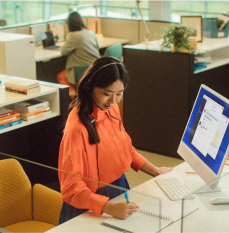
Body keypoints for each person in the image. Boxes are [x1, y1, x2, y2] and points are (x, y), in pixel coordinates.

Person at [58, 56, 173, 224]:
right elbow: (71, 189)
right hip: (89, 203)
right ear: (90, 87)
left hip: (118, 189)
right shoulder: (77, 129)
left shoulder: (111, 109)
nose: (113, 101)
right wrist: (108, 207)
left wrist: (154, 170)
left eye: (119, 94)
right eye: (107, 94)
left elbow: (125, 148)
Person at [57, 11, 100, 97]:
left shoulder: (73, 35)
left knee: (61, 76)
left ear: (69, 24)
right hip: (96, 68)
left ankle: (74, 98)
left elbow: (63, 51)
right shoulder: (91, 33)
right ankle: (79, 96)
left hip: (82, 70)